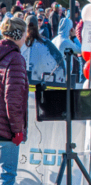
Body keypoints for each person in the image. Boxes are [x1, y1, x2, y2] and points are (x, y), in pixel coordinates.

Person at [0, 17, 28, 185]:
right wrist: (18, 130)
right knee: (7, 176)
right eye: (25, 34)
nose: (26, 38)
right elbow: (13, 99)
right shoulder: (16, 59)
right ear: (19, 35)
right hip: (6, 130)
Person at [21, 15, 65, 83]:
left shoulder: (20, 43)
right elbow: (59, 58)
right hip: (41, 81)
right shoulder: (45, 42)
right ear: (37, 26)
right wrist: (64, 74)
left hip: (23, 81)